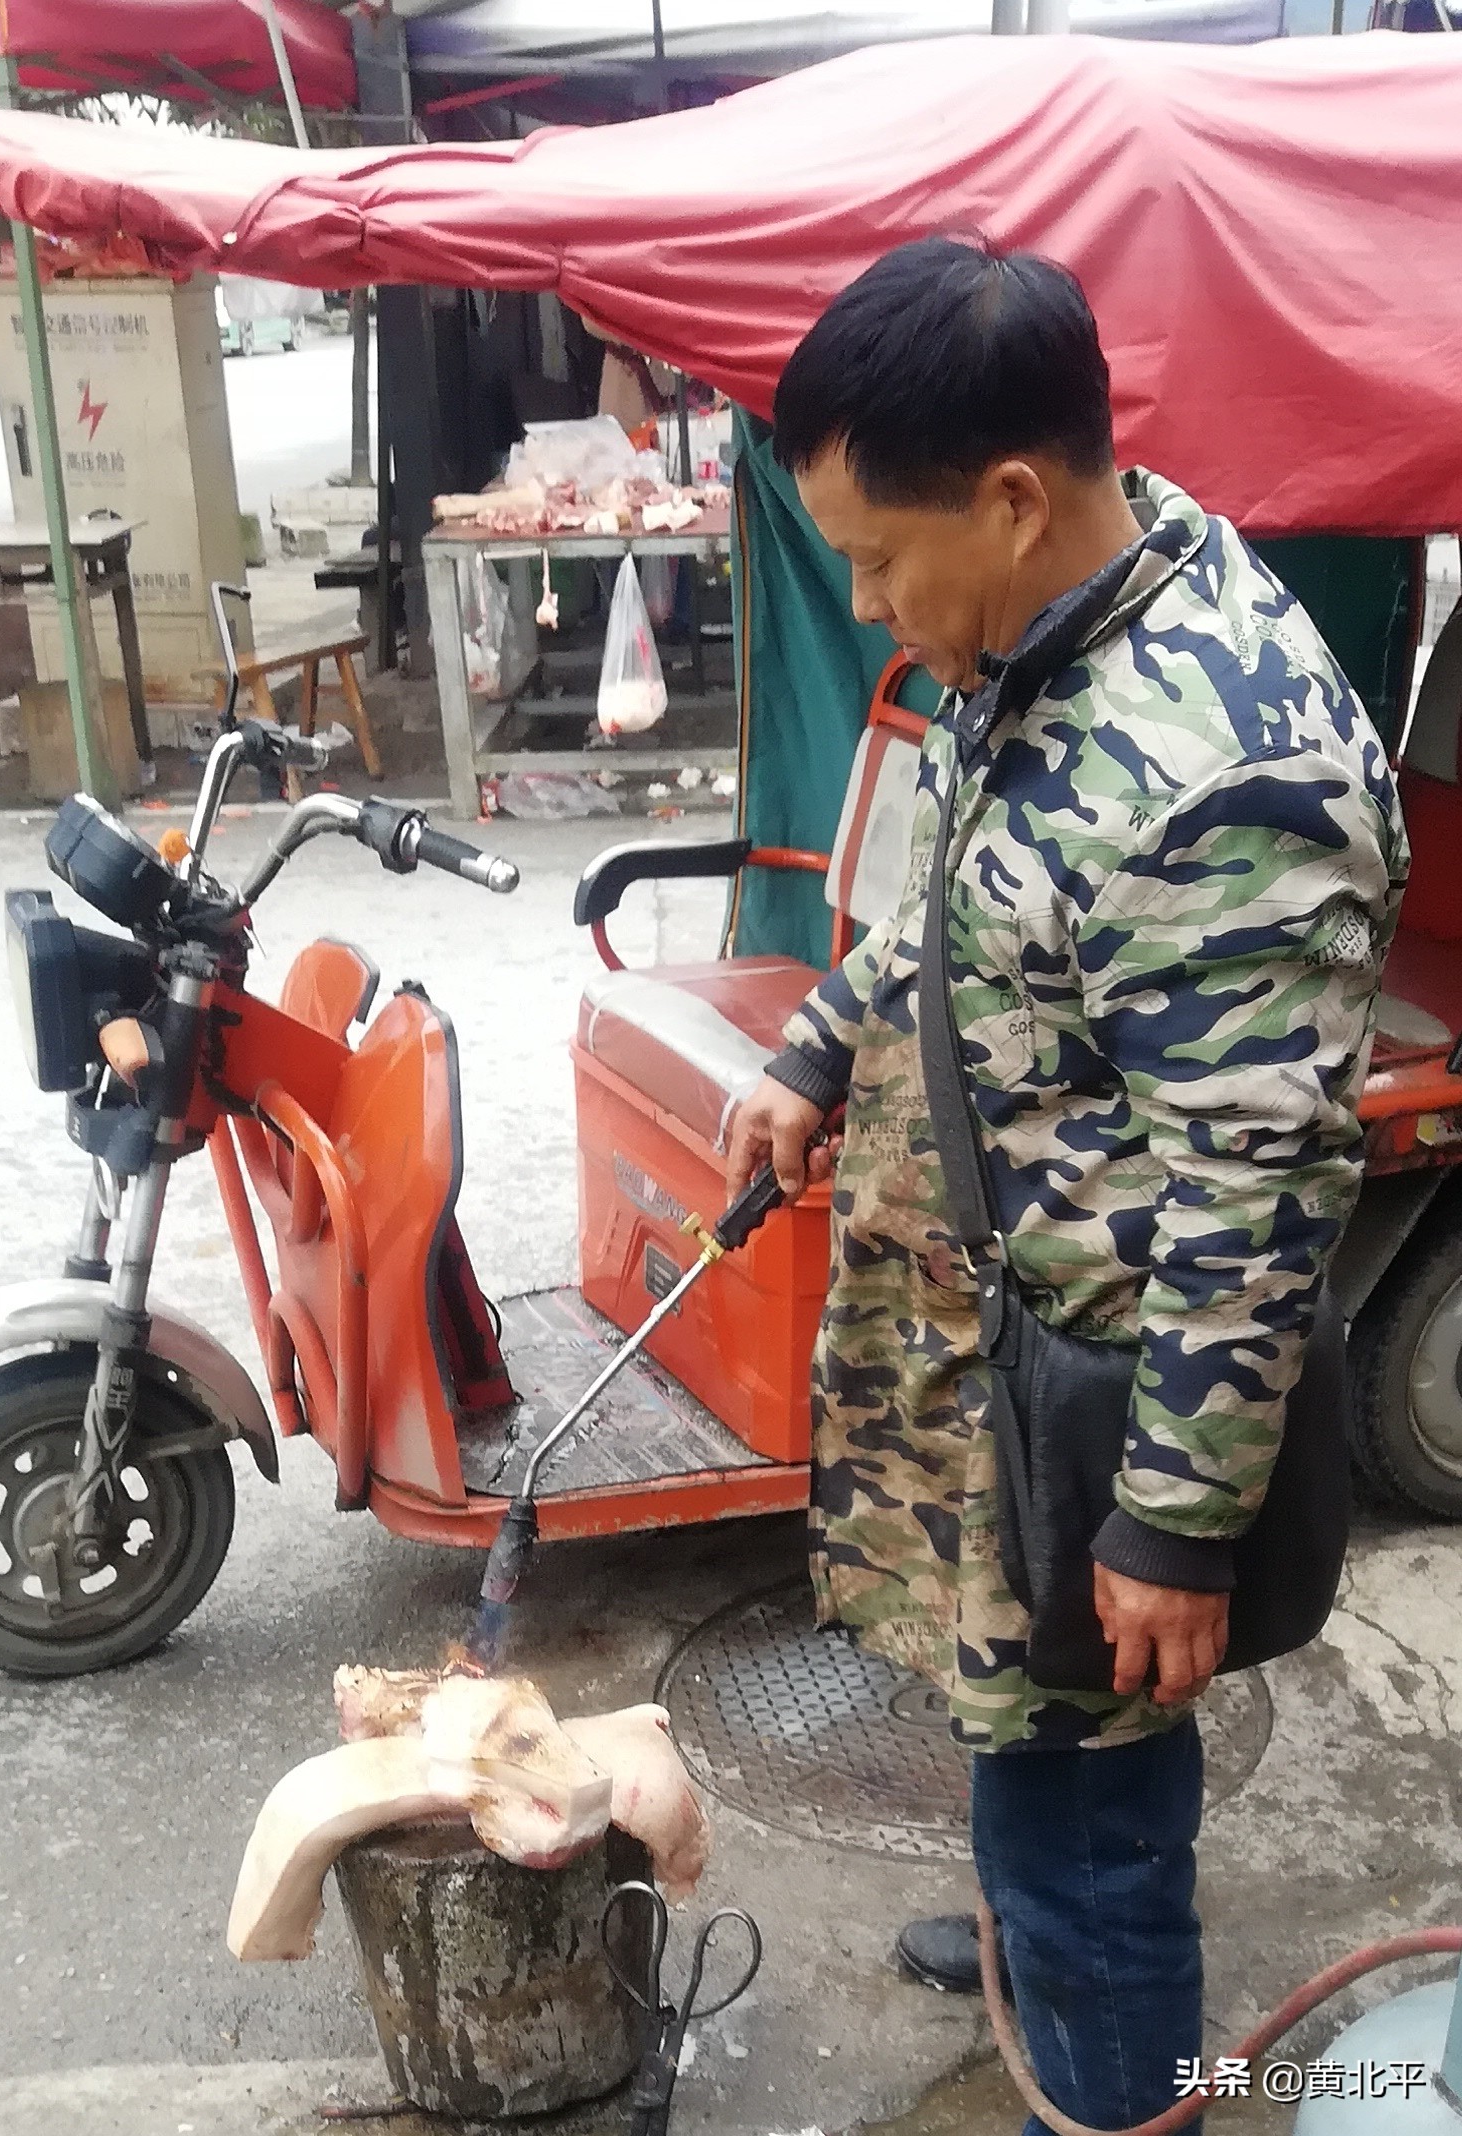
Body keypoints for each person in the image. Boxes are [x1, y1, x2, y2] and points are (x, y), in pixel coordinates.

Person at [723, 235, 1407, 2134]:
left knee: (1100, 1812)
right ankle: (1034, 1929)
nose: (868, 605)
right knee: (1021, 1729)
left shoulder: (1225, 774)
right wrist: (817, 1047)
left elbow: (1255, 1198)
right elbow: (961, 903)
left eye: (876, 559)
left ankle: (1122, 2078)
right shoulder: (1043, 620)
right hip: (992, 1355)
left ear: (1015, 500)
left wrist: (1177, 1526)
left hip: (1108, 1410)